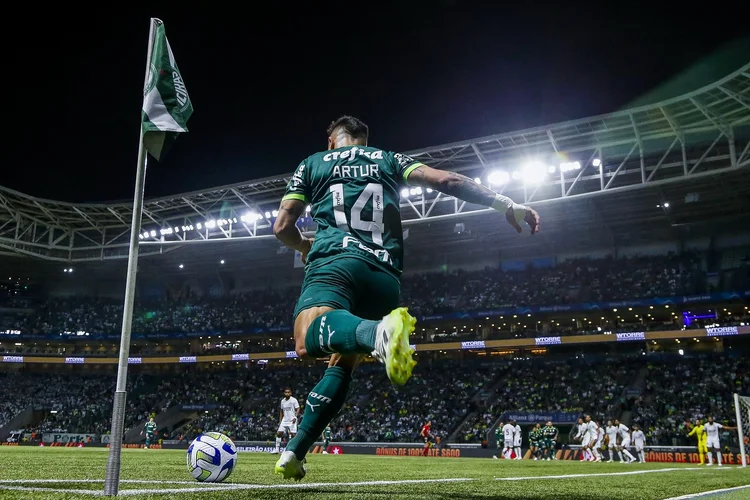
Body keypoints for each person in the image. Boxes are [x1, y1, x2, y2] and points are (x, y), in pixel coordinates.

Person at [272, 116, 540, 479]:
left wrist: (305, 246)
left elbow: (282, 226)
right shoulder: (388, 159)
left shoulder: (314, 162)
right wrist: (506, 204)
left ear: (332, 141)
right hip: (384, 276)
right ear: (365, 140)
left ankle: (377, 334)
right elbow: (447, 179)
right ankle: (295, 453)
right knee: (341, 362)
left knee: (307, 338)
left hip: (336, 261)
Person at [275, 388, 300, 454]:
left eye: (288, 392)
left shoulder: (293, 400)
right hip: (284, 420)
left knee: (293, 435)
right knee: (279, 433)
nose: (287, 393)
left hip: (292, 420)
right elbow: (281, 411)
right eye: (286, 392)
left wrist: (295, 417)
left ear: (291, 393)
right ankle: (277, 449)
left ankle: (291, 450)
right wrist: (280, 420)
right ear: (284, 393)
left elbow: (298, 408)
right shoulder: (282, 401)